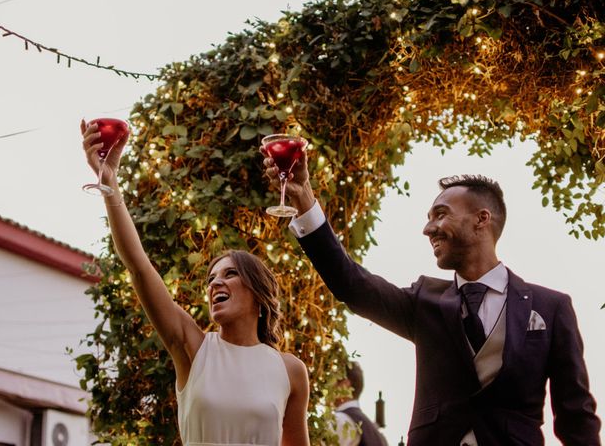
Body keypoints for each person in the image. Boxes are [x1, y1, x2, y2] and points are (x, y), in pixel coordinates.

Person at [263, 149, 601, 445]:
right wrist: (304, 199)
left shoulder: (550, 308)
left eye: (440, 214)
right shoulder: (425, 302)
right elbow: (352, 284)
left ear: (481, 219)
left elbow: (576, 417)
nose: (428, 229)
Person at [81, 120, 310, 446]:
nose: (215, 283)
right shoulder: (194, 349)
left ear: (259, 294)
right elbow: (139, 268)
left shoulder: (291, 371)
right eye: (211, 278)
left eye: (230, 274)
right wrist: (109, 182)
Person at [332, 361, 389, 446]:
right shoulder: (377, 433)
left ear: (345, 385)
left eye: (333, 381)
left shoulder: (340, 420)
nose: (330, 386)